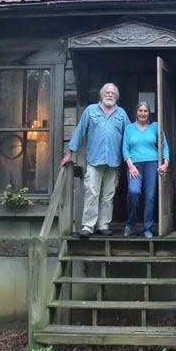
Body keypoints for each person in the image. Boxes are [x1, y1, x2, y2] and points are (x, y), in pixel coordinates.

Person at [61, 83, 130, 238]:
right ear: (101, 94)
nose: (110, 95)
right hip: (94, 160)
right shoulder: (90, 111)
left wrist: (134, 158)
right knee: (92, 192)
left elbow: (129, 135)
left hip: (114, 161)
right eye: (107, 92)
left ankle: (103, 224)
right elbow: (79, 131)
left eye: (113, 93)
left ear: (116, 96)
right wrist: (69, 154)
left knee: (108, 195)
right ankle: (88, 226)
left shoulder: (121, 113)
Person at [122, 101, 169, 238]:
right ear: (136, 112)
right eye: (140, 111)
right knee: (134, 191)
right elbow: (125, 148)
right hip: (134, 165)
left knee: (150, 196)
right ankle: (130, 224)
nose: (143, 113)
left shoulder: (155, 127)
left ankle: (147, 228)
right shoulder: (129, 129)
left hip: (151, 164)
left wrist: (165, 163)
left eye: (145, 111)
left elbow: (164, 146)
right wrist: (130, 166)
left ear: (149, 113)